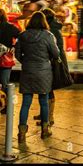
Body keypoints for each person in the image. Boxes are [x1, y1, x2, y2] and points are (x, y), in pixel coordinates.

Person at [15, 12, 59, 143]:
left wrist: (26, 62)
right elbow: (56, 54)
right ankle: (45, 130)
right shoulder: (48, 36)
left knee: (26, 103)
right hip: (43, 73)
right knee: (44, 101)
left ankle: (21, 134)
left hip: (27, 71)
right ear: (43, 22)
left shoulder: (22, 35)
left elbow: (17, 54)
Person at [0, 8, 20, 98]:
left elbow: (20, 36)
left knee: (3, 83)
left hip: (5, 59)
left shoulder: (10, 27)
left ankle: (3, 105)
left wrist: (14, 47)